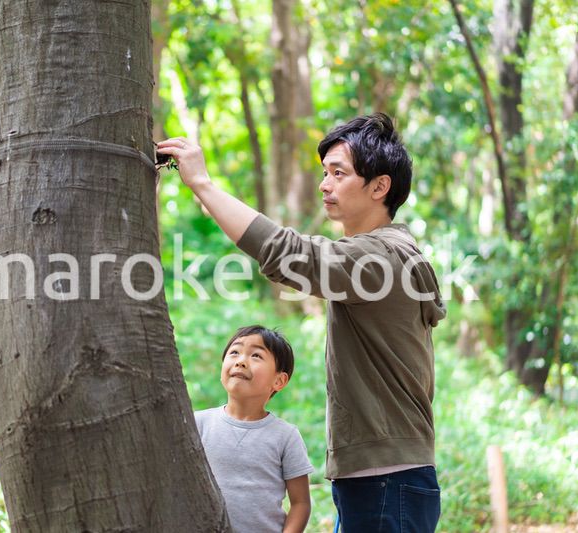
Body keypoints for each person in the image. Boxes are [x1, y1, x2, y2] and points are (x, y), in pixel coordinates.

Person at [158, 113, 446, 532]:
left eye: (339, 173)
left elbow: (286, 253)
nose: (325, 184)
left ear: (380, 186)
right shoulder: (380, 258)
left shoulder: (381, 259)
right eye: (324, 173)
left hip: (387, 479)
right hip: (379, 477)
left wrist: (203, 183)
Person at [194, 325, 313, 533]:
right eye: (234, 352)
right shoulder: (198, 423)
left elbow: (300, 503)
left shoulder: (285, 436)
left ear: (279, 380)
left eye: (256, 355)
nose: (240, 361)